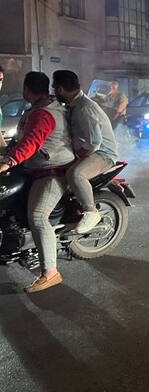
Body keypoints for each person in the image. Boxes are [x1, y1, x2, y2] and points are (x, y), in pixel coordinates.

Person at [0, 72, 75, 293]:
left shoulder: (43, 113)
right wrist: (7, 155)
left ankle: (50, 273)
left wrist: (9, 161)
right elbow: (21, 139)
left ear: (27, 89)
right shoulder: (35, 108)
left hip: (52, 171)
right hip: (35, 167)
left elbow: (32, 143)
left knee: (38, 215)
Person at [52, 71, 119, 234]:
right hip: (89, 150)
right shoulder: (73, 105)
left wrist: (78, 156)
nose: (53, 91)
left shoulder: (84, 108)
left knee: (75, 174)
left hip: (103, 154)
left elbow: (94, 142)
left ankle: (91, 212)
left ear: (60, 89)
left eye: (54, 87)